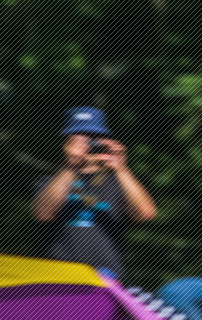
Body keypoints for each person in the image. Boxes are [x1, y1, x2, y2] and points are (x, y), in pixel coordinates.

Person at [32, 107, 157, 280]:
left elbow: (145, 214)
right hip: (58, 277)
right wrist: (71, 166)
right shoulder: (52, 182)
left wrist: (121, 168)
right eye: (78, 137)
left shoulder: (118, 182)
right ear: (65, 144)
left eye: (94, 136)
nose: (88, 143)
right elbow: (43, 213)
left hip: (105, 278)